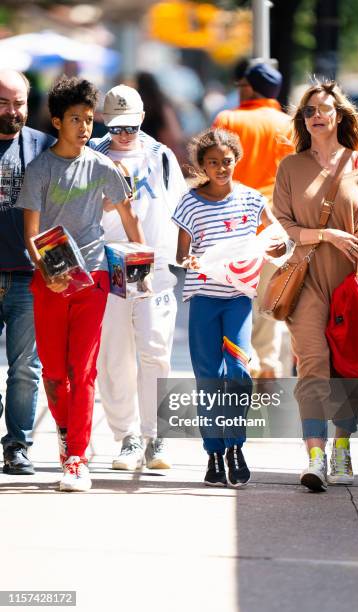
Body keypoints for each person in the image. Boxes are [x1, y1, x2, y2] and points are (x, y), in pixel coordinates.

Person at [16, 76, 145, 492]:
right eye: (76, 119)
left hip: (94, 279)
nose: (85, 127)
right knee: (55, 372)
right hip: (50, 280)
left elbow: (128, 216)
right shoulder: (39, 170)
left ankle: (76, 458)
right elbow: (31, 234)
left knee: (83, 370)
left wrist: (140, 264)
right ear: (56, 122)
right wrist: (47, 271)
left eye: (90, 119)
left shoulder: (104, 166)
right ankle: (68, 434)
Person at [273, 80, 358, 492]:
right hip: (305, 279)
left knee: (353, 368)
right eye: (309, 111)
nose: (317, 115)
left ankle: (342, 444)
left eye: (324, 109)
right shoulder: (290, 166)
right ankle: (315, 456)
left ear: (339, 115)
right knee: (314, 365)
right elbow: (283, 224)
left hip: (350, 279)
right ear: (303, 120)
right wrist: (326, 235)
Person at [172, 128, 287, 488]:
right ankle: (213, 454)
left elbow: (276, 239)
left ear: (236, 160)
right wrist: (191, 260)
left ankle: (235, 446)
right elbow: (181, 253)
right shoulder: (190, 203)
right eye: (213, 163)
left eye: (227, 161)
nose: (222, 168)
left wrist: (277, 248)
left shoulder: (252, 200)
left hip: (238, 298)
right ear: (201, 166)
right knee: (208, 376)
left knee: (237, 371)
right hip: (204, 298)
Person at [89, 84, 186, 471]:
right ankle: (126, 436)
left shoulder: (161, 157)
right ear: (104, 121)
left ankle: (156, 436)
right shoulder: (91, 155)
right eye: (116, 127)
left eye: (130, 126)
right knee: (114, 357)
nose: (124, 135)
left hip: (154, 266)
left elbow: (181, 209)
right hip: (106, 265)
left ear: (143, 119)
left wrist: (185, 257)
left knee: (156, 352)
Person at [213, 58, 294, 382]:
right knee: (269, 302)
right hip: (276, 224)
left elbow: (213, 169)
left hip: (235, 224)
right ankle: (268, 367)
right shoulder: (288, 123)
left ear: (249, 87)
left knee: (235, 300)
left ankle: (240, 368)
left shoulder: (228, 118)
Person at [0, 69, 54, 476]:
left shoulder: (44, 147)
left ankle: (18, 445)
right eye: (3, 102)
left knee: (25, 369)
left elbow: (61, 211)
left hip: (27, 276)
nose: (12, 110)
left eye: (18, 102)